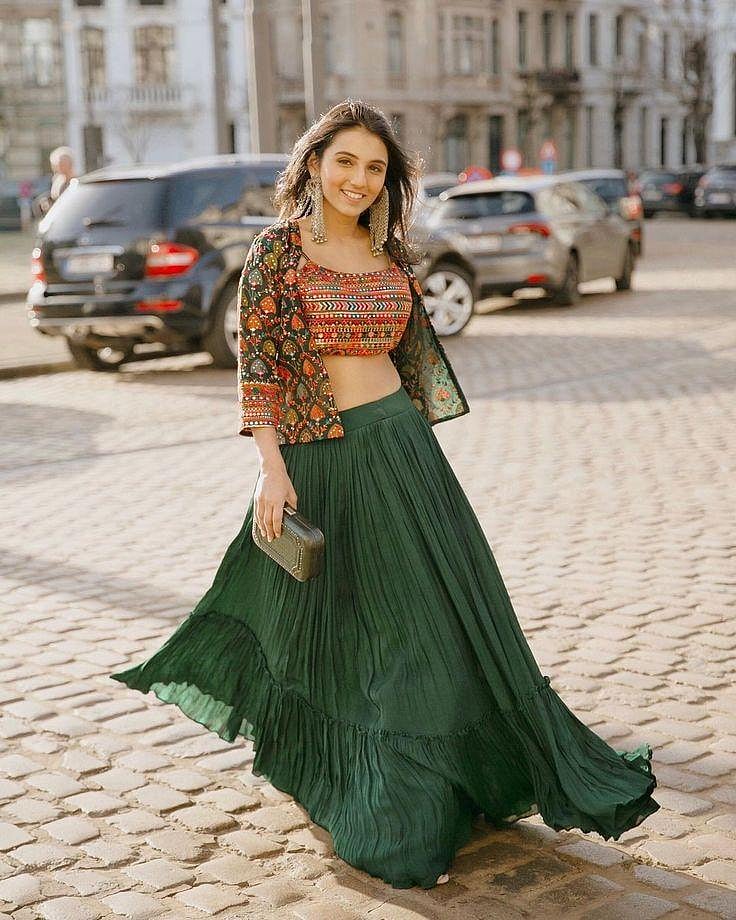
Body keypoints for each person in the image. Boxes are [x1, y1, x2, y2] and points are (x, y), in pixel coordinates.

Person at [111, 100, 660, 890]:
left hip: (402, 453)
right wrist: (271, 467)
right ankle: (368, 784)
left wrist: (409, 454)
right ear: (313, 164)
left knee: (425, 628)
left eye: (374, 168)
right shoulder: (275, 252)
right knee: (338, 631)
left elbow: (411, 361)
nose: (358, 179)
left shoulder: (391, 255)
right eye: (345, 161)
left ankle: (437, 779)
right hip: (318, 461)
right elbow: (257, 366)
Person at [36, 146, 76, 216]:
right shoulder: (57, 180)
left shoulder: (76, 181)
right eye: (58, 164)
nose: (59, 167)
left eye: (62, 164)